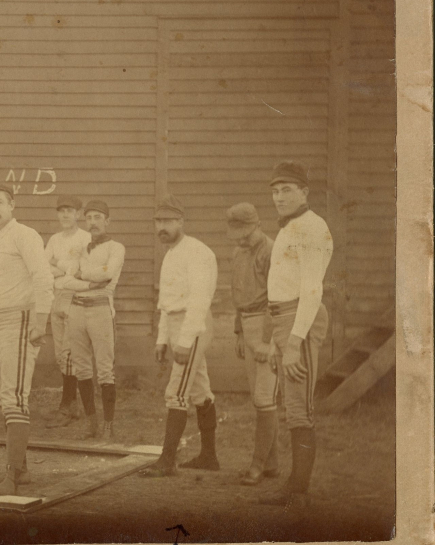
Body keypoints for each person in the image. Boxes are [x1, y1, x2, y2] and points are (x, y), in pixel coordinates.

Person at [260, 162, 333, 512]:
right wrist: (276, 334)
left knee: (299, 408)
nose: (279, 197)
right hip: (282, 319)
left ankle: (298, 490)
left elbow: (312, 290)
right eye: (274, 191)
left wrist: (292, 342)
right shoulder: (290, 228)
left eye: (287, 189)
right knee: (291, 406)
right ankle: (294, 485)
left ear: (305, 191)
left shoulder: (312, 228)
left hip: (298, 321)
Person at [0, 183, 54, 495]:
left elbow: (43, 277)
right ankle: (21, 471)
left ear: (12, 206)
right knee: (6, 396)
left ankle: (11, 477)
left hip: (21, 318)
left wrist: (40, 320)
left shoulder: (25, 234)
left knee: (15, 395)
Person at [141, 194, 220, 478]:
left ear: (181, 222)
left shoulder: (197, 252)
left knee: (176, 392)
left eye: (169, 221)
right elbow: (166, 301)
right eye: (158, 221)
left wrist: (185, 341)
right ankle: (209, 456)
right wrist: (163, 339)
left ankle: (166, 461)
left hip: (193, 324)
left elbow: (200, 300)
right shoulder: (171, 253)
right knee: (199, 391)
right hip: (176, 323)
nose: (162, 227)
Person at [58, 200, 125, 439]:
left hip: (100, 311)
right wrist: (88, 282)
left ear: (107, 220)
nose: (93, 222)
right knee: (82, 368)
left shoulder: (116, 247)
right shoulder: (80, 248)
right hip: (76, 310)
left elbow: (107, 274)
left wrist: (79, 275)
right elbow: (65, 281)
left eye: (98, 217)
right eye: (90, 218)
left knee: (105, 370)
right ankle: (91, 422)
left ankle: (108, 424)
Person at [226, 202, 281, 486]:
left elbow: (278, 300)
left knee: (264, 397)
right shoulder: (239, 252)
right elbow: (238, 293)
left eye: (246, 232)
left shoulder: (273, 251)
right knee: (259, 398)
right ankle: (272, 464)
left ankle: (257, 465)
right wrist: (239, 332)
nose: (242, 238)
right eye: (237, 233)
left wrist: (266, 340)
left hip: (266, 324)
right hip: (247, 323)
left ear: (258, 224)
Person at [44, 196, 92, 426]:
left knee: (70, 353)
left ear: (78, 214)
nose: (65, 215)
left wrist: (60, 266)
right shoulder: (54, 239)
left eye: (69, 211)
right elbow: (44, 267)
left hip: (76, 297)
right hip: (57, 296)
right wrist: (63, 269)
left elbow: (81, 270)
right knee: (60, 355)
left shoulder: (85, 238)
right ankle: (71, 405)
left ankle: (68, 406)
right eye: (61, 211)